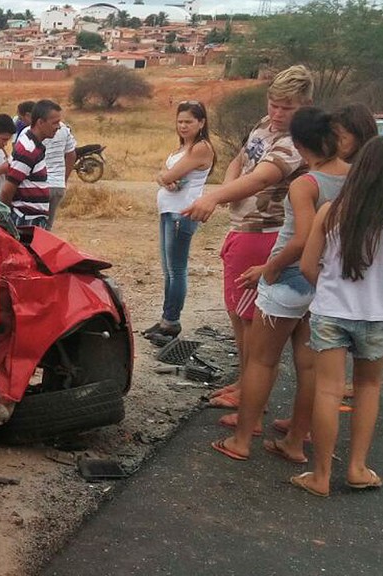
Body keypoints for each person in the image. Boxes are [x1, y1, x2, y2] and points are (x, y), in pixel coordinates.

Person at [210, 108, 348, 463]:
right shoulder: (351, 178)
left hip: (289, 280)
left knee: (261, 361)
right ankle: (296, 442)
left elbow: (302, 238)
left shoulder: (307, 184)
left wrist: (268, 268)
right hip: (324, 283)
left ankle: (241, 439)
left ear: (300, 145)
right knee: (309, 367)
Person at [181, 65, 312, 410]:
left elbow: (262, 178)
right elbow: (241, 161)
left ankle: (252, 397)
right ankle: (244, 382)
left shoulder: (296, 141)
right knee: (238, 316)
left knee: (254, 321)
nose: (279, 113)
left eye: (288, 107)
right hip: (243, 227)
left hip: (265, 231)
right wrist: (228, 190)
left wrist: (213, 197)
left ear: (305, 105)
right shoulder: (262, 126)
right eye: (274, 104)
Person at [292, 136, 383, 496]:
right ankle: (357, 468)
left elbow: (307, 265)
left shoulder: (331, 211)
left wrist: (332, 289)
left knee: (328, 391)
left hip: (331, 312)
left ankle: (319, 475)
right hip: (377, 316)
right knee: (368, 388)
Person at [143, 101, 215, 344]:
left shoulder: (200, 148)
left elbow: (168, 175)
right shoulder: (180, 148)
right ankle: (166, 317)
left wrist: (164, 177)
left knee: (177, 270)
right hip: (168, 209)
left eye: (189, 122)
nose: (183, 126)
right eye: (180, 121)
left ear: (201, 123)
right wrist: (164, 177)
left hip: (182, 212)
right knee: (168, 270)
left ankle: (171, 321)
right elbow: (162, 174)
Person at [0, 99, 63, 228]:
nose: (58, 127)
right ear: (40, 122)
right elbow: (7, 190)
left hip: (30, 219)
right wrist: (6, 219)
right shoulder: (28, 149)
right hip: (26, 221)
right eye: (55, 123)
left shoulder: (34, 145)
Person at [44, 119, 78, 226]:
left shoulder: (33, 130)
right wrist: (64, 179)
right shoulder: (64, 129)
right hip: (58, 185)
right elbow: (72, 155)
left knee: (33, 228)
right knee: (47, 227)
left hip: (40, 186)